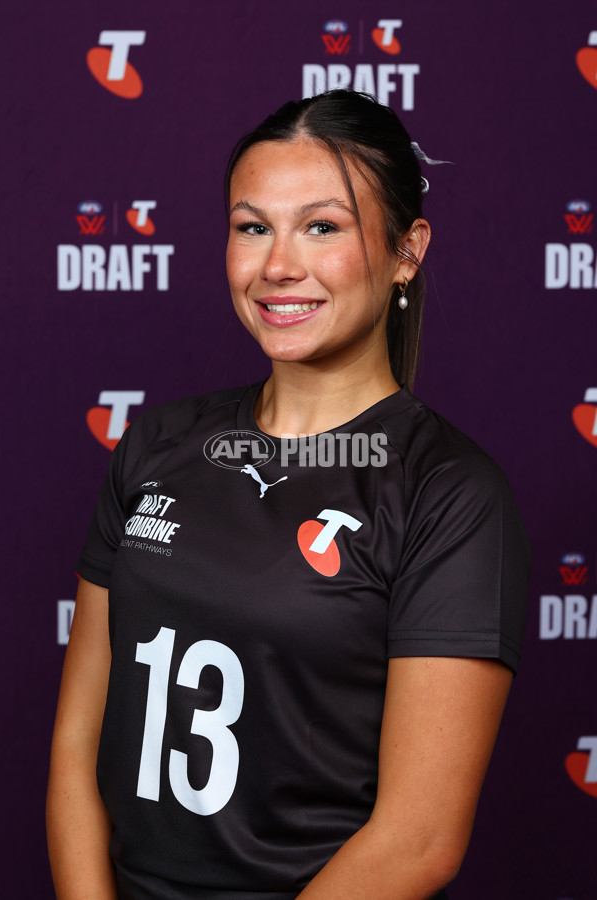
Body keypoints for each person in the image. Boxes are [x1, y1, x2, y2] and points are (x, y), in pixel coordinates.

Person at [46, 90, 530, 900]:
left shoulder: (450, 493)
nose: (277, 265)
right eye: (252, 226)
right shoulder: (157, 445)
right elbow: (76, 740)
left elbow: (419, 841)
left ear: (407, 250)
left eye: (323, 226)